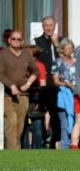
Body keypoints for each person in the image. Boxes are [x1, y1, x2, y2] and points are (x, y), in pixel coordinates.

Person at [0, 30, 39, 149]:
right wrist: (11, 86)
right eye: (13, 39)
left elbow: (36, 71)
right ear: (9, 40)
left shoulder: (26, 54)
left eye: (18, 39)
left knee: (20, 124)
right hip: (7, 95)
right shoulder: (3, 54)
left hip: (23, 95)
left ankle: (15, 148)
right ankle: (12, 152)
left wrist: (29, 83)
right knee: (12, 120)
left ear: (22, 41)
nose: (16, 41)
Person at [34, 16, 61, 148]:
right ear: (43, 27)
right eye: (46, 26)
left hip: (57, 83)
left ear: (55, 25)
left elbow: (65, 58)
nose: (49, 28)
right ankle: (43, 140)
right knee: (42, 114)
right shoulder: (37, 41)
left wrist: (56, 44)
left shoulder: (61, 40)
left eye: (51, 25)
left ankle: (55, 141)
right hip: (42, 83)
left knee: (55, 113)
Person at [51, 37, 76, 149]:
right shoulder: (57, 62)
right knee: (65, 124)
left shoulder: (77, 62)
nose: (71, 50)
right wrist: (67, 84)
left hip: (76, 96)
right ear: (62, 50)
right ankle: (64, 146)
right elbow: (56, 82)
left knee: (76, 122)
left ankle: (72, 143)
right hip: (64, 97)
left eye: (72, 47)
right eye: (68, 48)